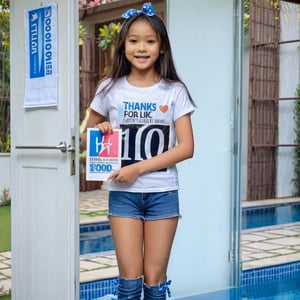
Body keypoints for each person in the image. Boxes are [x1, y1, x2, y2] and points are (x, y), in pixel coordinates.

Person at [81, 2, 195, 299]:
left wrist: (138, 168)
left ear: (161, 47)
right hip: (123, 197)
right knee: (129, 284)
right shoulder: (109, 88)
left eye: (149, 41)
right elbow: (86, 138)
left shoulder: (174, 91)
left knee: (155, 284)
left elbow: (186, 147)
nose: (141, 48)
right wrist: (100, 130)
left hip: (163, 193)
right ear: (124, 46)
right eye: (134, 41)